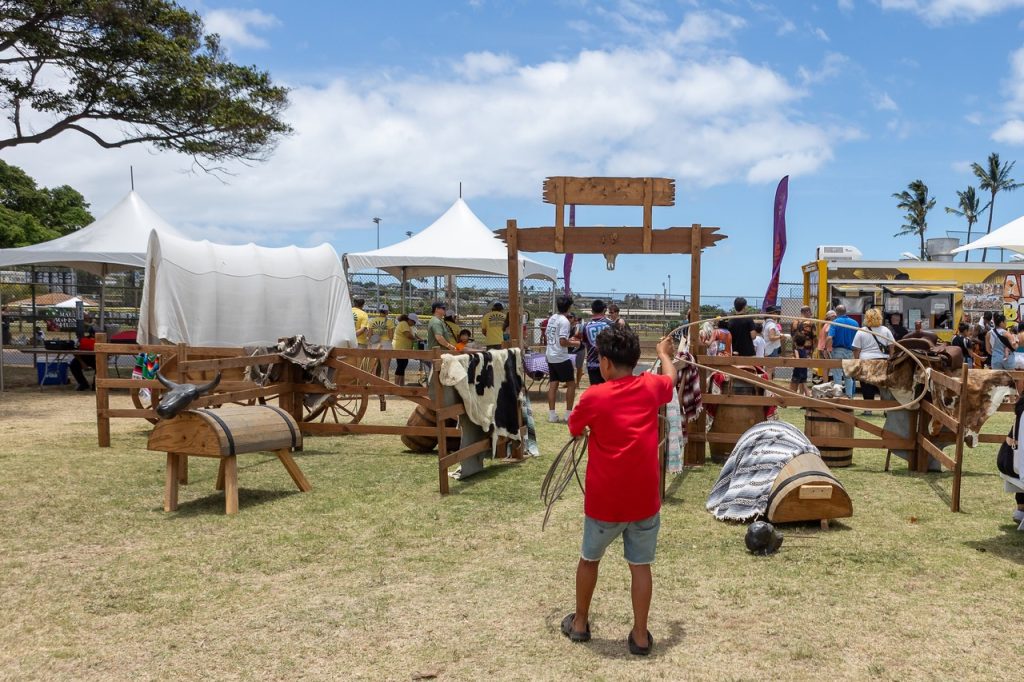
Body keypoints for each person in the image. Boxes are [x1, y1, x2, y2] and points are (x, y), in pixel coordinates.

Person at [561, 327, 676, 656]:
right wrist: (666, 354)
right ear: (636, 360)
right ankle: (640, 636)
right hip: (644, 501)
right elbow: (670, 380)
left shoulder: (595, 397)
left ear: (606, 362)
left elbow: (574, 427)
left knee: (589, 559)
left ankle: (580, 623)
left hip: (604, 502)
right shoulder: (651, 387)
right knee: (640, 566)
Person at [852, 308, 895, 414]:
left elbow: (856, 349)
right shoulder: (885, 330)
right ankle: (885, 410)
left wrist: (857, 361)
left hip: (866, 361)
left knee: (867, 386)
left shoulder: (861, 331)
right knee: (883, 386)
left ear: (867, 318)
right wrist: (891, 358)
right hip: (882, 360)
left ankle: (868, 409)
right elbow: (892, 347)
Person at [546, 296, 581, 423]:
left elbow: (552, 337)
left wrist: (568, 341)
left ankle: (552, 415)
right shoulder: (564, 321)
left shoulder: (552, 318)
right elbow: (562, 342)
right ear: (569, 307)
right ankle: (568, 414)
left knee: (553, 384)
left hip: (550, 355)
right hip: (561, 356)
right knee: (571, 384)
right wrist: (575, 344)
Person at [827, 305, 857, 397]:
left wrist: (826, 347)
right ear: (845, 311)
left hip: (838, 350)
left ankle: (838, 395)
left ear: (836, 312)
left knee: (837, 375)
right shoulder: (855, 323)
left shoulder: (835, 322)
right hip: (850, 351)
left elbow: (829, 337)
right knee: (848, 376)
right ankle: (849, 396)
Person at [582, 300, 612, 386]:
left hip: (592, 363)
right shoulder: (610, 324)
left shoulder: (586, 326)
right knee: (608, 389)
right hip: (608, 363)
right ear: (604, 310)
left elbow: (585, 342)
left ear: (592, 311)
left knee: (595, 389)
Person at [424, 302, 458, 380]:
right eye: (443, 308)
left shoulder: (438, 321)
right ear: (436, 309)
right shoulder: (436, 322)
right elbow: (439, 337)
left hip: (439, 353)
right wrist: (449, 346)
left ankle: (436, 391)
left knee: (439, 376)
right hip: (438, 354)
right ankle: (434, 391)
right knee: (437, 377)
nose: (444, 310)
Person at [391, 313, 421, 386]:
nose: (414, 324)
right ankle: (397, 384)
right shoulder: (404, 323)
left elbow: (414, 334)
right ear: (410, 320)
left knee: (403, 365)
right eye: (414, 322)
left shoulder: (407, 325)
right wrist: (417, 340)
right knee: (401, 366)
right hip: (400, 348)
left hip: (404, 348)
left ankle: (401, 384)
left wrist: (419, 339)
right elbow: (408, 335)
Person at [69, 326, 97, 391]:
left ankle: (96, 384)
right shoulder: (82, 340)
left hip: (96, 359)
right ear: (92, 334)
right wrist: (82, 362)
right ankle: (83, 383)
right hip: (83, 359)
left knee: (101, 365)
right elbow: (75, 351)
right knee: (73, 365)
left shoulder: (103, 340)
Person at [790, 332, 809, 396]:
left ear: (795, 343)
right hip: (804, 371)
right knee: (805, 386)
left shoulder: (796, 350)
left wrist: (793, 358)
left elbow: (797, 360)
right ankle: (808, 399)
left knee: (792, 388)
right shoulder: (804, 350)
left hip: (797, 372)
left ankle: (789, 400)